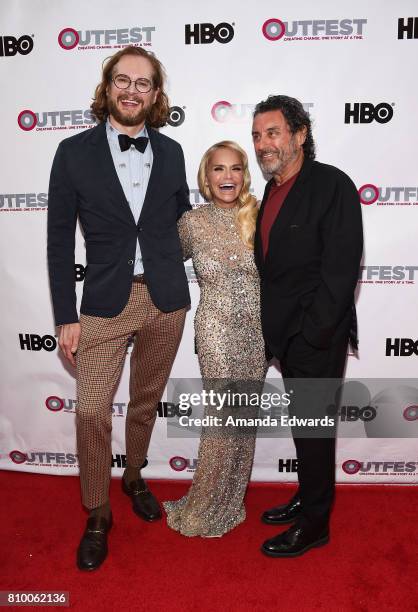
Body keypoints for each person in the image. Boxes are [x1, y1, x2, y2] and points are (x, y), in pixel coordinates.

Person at [47, 46, 191, 570]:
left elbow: (182, 224)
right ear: (108, 87)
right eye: (123, 80)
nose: (132, 90)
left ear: (156, 95)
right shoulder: (72, 152)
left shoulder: (173, 152)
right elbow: (59, 240)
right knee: (89, 410)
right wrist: (65, 315)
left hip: (165, 300)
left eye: (144, 83)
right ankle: (98, 512)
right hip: (104, 304)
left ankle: (133, 475)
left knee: (146, 400)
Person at [251, 95, 363, 557]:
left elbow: (340, 270)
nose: (262, 144)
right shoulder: (274, 191)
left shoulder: (332, 184)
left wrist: (312, 335)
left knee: (315, 429)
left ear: (300, 135)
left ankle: (316, 523)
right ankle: (307, 495)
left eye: (272, 133)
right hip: (287, 337)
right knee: (306, 429)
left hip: (316, 336)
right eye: (256, 136)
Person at [163, 141, 267, 537]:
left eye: (236, 168)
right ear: (206, 178)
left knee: (244, 418)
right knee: (224, 417)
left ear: (244, 174)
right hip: (216, 329)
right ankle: (206, 503)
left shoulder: (260, 214)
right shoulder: (191, 222)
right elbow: (164, 263)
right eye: (219, 169)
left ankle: (230, 498)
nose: (228, 177)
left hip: (258, 332)